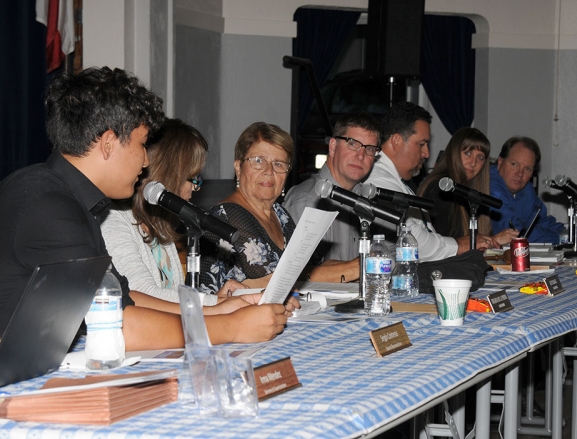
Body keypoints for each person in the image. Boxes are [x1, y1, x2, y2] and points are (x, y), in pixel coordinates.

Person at [0, 67, 296, 350]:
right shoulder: (48, 204)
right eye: (142, 145)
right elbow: (118, 326)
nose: (145, 162)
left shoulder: (75, 200)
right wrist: (232, 327)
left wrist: (217, 310)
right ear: (108, 144)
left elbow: (125, 299)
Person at [101, 119, 245, 308]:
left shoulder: (161, 225)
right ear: (169, 176)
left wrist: (217, 300)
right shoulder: (114, 221)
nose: (196, 188)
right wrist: (218, 303)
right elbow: (142, 295)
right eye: (193, 178)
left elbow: (171, 300)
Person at [202, 122, 351, 290]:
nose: (269, 171)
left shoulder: (280, 215)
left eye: (279, 164)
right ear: (238, 167)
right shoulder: (228, 214)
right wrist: (355, 268)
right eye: (259, 161)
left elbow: (309, 268)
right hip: (218, 315)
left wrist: (362, 262)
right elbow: (276, 282)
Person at [363, 102, 497, 261]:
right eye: (421, 144)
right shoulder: (378, 179)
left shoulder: (397, 181)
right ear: (396, 141)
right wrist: (459, 245)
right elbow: (413, 241)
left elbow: (427, 235)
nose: (427, 153)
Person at [283, 112, 380, 270]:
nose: (360, 155)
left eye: (369, 149)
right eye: (353, 144)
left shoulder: (368, 200)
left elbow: (393, 258)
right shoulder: (307, 201)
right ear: (333, 147)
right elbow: (301, 276)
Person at [489, 136, 577, 244]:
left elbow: (542, 222)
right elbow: (515, 232)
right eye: (514, 164)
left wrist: (574, 229)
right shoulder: (491, 186)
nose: (520, 174)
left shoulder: (526, 189)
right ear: (500, 162)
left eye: (528, 169)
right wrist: (570, 236)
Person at [417, 127, 518, 246]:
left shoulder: (469, 192)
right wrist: (492, 240)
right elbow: (447, 247)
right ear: (454, 153)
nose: (473, 163)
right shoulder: (440, 188)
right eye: (468, 153)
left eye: (480, 157)